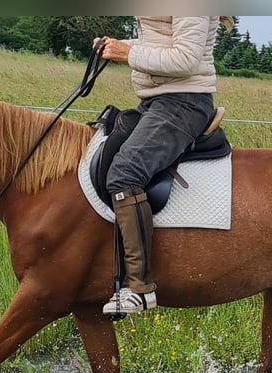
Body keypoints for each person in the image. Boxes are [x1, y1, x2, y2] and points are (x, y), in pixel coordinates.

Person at [96, 16, 234, 317]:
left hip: (183, 104)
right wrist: (117, 47)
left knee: (125, 173)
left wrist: (128, 53)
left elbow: (185, 58)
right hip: (156, 102)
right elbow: (159, 45)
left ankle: (140, 289)